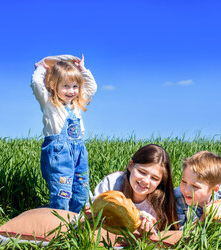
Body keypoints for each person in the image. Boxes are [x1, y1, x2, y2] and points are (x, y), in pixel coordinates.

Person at [31, 54, 97, 213]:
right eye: (66, 86)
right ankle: (58, 224)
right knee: (62, 192)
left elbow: (92, 87)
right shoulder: (49, 102)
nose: (71, 91)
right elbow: (36, 84)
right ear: (54, 85)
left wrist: (82, 69)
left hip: (79, 153)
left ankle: (75, 222)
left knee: (81, 191)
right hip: (59, 153)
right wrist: (41, 67)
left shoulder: (76, 103)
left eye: (75, 86)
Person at [90, 144, 180, 233]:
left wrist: (148, 235)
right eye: (142, 172)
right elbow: (93, 210)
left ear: (161, 181)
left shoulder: (159, 202)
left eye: (154, 178)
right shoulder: (112, 183)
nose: (145, 181)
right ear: (130, 165)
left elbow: (160, 235)